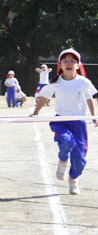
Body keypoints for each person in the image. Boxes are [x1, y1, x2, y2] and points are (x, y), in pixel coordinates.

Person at [30, 48, 97, 195]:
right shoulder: (56, 82)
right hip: (61, 121)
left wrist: (93, 116)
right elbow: (44, 98)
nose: (68, 63)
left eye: (72, 61)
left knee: (80, 158)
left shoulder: (83, 82)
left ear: (78, 65)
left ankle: (73, 179)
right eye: (65, 60)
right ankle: (62, 160)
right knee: (66, 141)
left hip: (79, 123)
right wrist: (35, 113)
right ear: (60, 64)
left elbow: (89, 99)